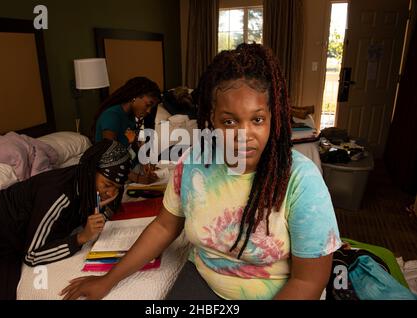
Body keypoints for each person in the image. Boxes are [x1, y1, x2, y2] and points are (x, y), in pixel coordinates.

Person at [60, 43, 342, 300]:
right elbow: (163, 226)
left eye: (257, 119)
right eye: (229, 122)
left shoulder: (301, 180)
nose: (244, 135)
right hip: (204, 282)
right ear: (210, 120)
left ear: (273, 118)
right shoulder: (193, 162)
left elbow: (309, 281)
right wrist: (108, 281)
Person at [0, 139, 132, 299]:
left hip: (10, 244)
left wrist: (105, 206)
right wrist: (81, 237)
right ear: (90, 172)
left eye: (117, 188)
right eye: (107, 185)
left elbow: (107, 207)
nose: (111, 193)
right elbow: (32, 255)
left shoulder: (86, 185)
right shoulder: (59, 194)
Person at [93, 76, 160, 184]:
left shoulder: (129, 116)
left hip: (130, 168)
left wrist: (144, 165)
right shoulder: (112, 116)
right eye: (148, 105)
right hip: (115, 172)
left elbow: (132, 145)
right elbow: (111, 159)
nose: (149, 111)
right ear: (135, 96)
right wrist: (138, 178)